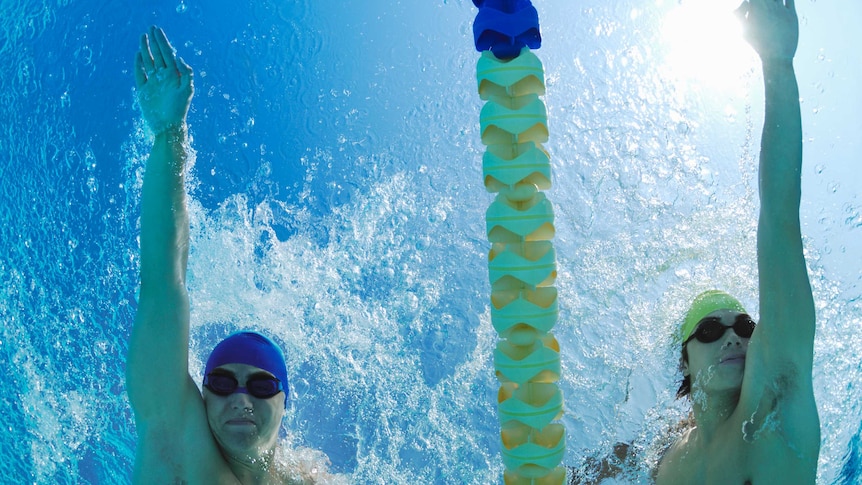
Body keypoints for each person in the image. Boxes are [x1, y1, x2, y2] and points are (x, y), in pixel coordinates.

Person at [126, 26, 322, 484]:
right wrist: (168, 135)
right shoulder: (176, 445)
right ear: (203, 396)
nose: (239, 397)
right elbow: (162, 284)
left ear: (283, 402)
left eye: (260, 385)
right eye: (220, 383)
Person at [655, 0, 819, 483]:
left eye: (745, 325)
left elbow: (781, 222)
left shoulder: (775, 404)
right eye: (709, 331)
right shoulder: (668, 460)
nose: (733, 335)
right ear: (684, 359)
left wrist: (778, 63)